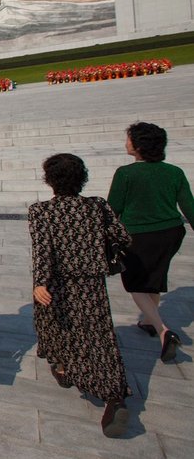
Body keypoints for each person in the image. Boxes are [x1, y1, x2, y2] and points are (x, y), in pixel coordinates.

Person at [30, 153, 133, 437]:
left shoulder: (41, 211)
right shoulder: (97, 205)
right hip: (92, 283)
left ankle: (65, 369)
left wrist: (40, 282)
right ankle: (114, 396)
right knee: (99, 336)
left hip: (58, 283)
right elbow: (123, 237)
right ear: (82, 178)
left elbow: (43, 250)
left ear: (50, 180)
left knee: (59, 328)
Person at [108, 122, 193, 362]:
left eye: (129, 139)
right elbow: (188, 205)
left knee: (135, 284)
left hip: (138, 235)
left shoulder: (126, 173)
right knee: (154, 276)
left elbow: (113, 209)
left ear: (138, 145)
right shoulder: (174, 172)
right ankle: (147, 320)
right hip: (171, 233)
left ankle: (163, 330)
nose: (126, 143)